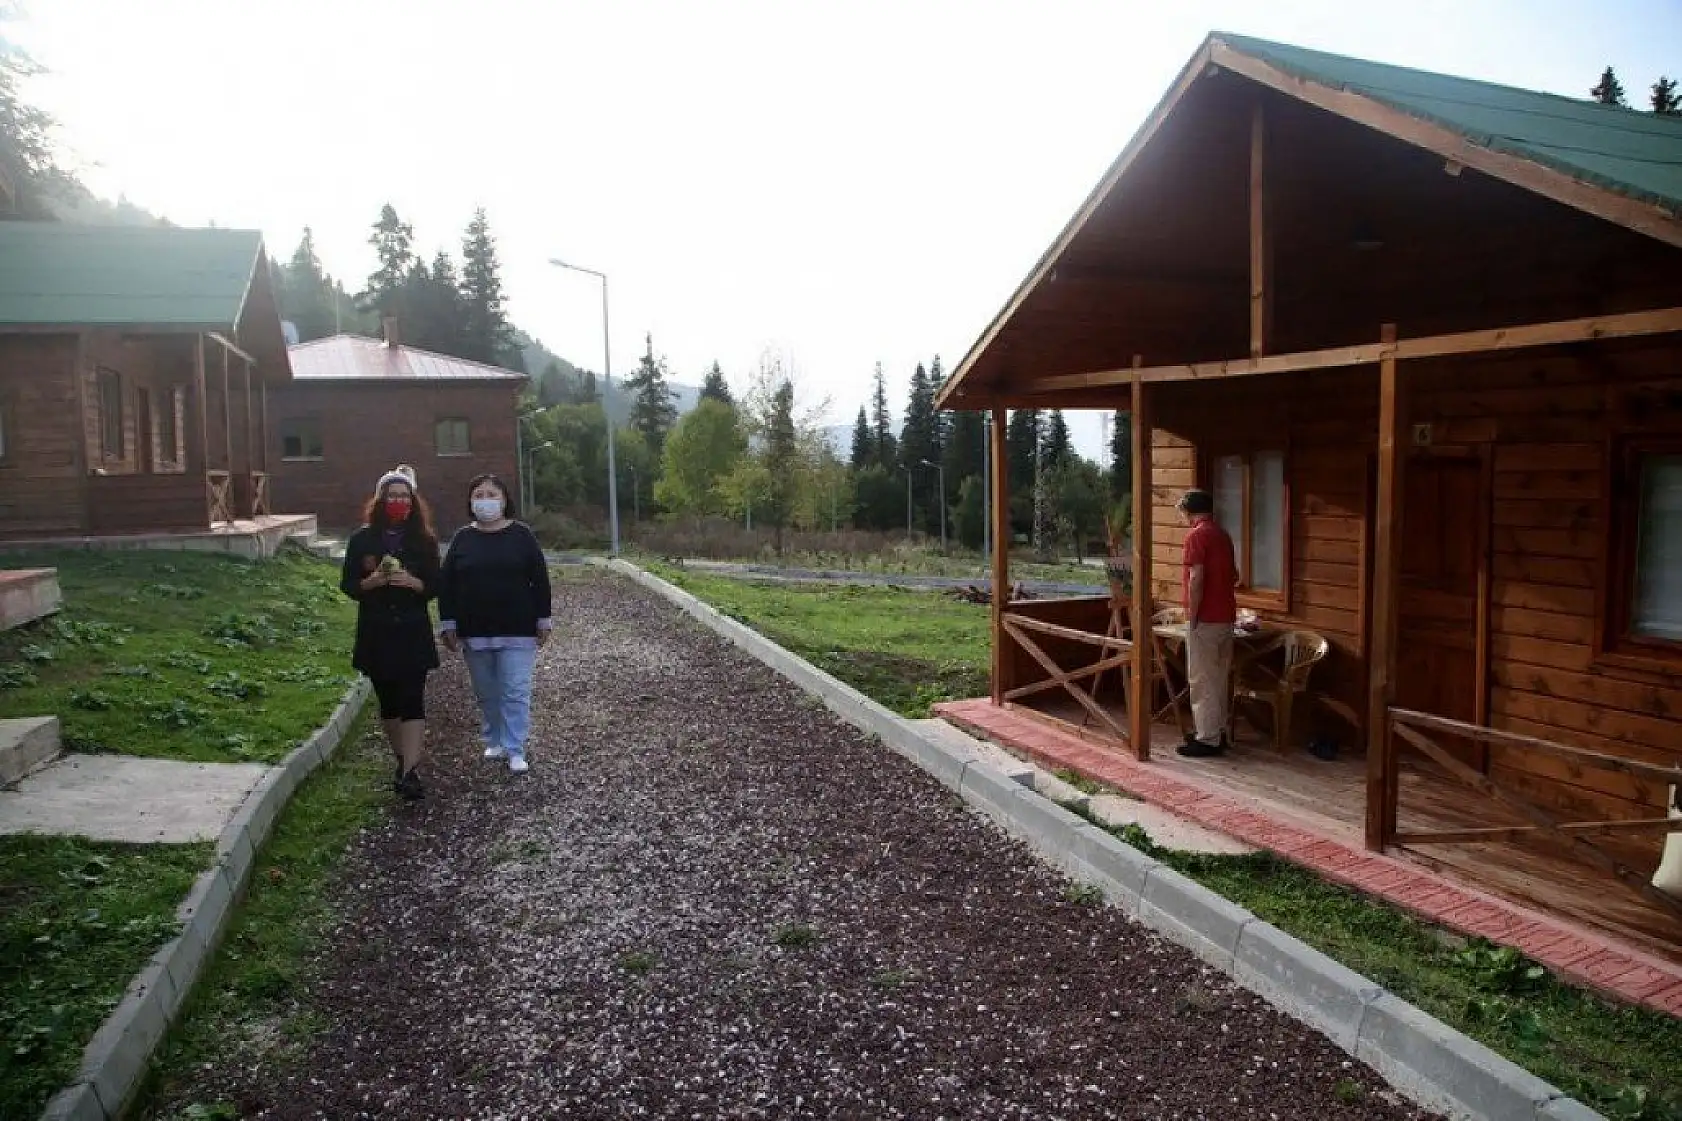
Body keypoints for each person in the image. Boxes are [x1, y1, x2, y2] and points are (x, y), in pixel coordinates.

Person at [437, 473, 552, 774]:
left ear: (504, 500)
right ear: (471, 501)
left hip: (518, 628)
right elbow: (446, 583)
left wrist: (543, 619)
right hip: (475, 629)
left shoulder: (522, 535)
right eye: (479, 494)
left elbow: (539, 579)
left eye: (492, 494)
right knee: (487, 690)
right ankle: (495, 737)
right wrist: (448, 623)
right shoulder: (463, 538)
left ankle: (516, 747)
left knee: (515, 690)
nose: (485, 500)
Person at [340, 466, 442, 798]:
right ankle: (401, 758)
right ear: (380, 500)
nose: (398, 501)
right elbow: (348, 584)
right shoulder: (362, 539)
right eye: (391, 495)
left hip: (412, 630)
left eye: (404, 496)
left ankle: (411, 771)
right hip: (377, 631)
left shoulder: (423, 540)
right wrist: (370, 583)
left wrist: (414, 583)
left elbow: (436, 585)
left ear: (413, 502)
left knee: (413, 698)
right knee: (389, 702)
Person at [1176, 489, 1239, 759]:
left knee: (1202, 679)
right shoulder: (1222, 535)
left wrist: (1194, 616)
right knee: (1219, 677)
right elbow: (1234, 576)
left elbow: (1196, 578)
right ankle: (1215, 730)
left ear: (1188, 511)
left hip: (1206, 618)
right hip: (1226, 617)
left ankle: (1207, 739)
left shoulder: (1196, 536)